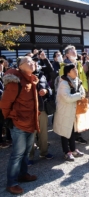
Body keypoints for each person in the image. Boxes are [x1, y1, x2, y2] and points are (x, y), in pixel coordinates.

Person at [0, 56, 39, 195]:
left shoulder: (31, 79)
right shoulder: (14, 82)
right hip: (19, 124)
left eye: (32, 61)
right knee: (17, 154)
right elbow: (4, 104)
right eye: (28, 61)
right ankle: (11, 183)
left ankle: (23, 174)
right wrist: (12, 117)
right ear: (20, 66)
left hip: (30, 122)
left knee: (26, 152)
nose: (32, 63)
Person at [53, 64, 85, 160]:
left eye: (76, 68)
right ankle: (67, 152)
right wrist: (79, 95)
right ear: (68, 72)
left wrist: (80, 95)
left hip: (72, 110)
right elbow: (67, 98)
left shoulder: (77, 80)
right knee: (65, 132)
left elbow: (83, 93)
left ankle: (73, 150)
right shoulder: (64, 83)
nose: (76, 70)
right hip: (65, 111)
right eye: (73, 69)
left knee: (71, 131)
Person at [28, 60, 54, 165]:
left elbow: (49, 89)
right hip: (29, 111)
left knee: (43, 133)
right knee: (31, 135)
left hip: (42, 109)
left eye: (35, 63)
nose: (35, 65)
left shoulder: (42, 76)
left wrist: (47, 91)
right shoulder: (24, 77)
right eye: (32, 63)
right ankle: (30, 156)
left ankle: (44, 152)